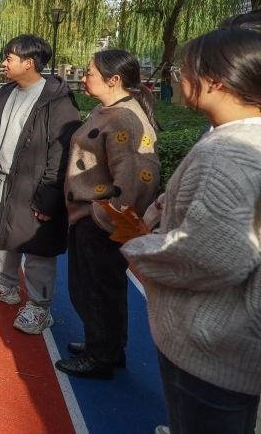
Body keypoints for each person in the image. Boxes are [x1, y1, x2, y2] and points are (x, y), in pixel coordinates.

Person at [123, 26, 261, 434]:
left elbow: (211, 254)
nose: (178, 78)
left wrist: (139, 248)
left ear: (216, 82)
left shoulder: (228, 153)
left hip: (212, 347)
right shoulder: (239, 139)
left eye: (184, 70)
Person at [55, 49, 160, 379]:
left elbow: (137, 175)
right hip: (89, 214)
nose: (84, 77)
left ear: (113, 80)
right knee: (98, 286)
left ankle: (100, 356)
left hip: (99, 220)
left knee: (97, 288)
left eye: (89, 72)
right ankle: (106, 347)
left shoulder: (124, 119)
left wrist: (104, 216)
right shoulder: (109, 110)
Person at [0, 35, 81, 334]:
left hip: (35, 185)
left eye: (9, 58)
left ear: (29, 63)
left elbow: (61, 153)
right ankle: (5, 285)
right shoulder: (7, 92)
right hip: (4, 178)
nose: (4, 63)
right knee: (0, 234)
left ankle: (39, 307)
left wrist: (49, 196)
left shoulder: (57, 101)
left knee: (37, 248)